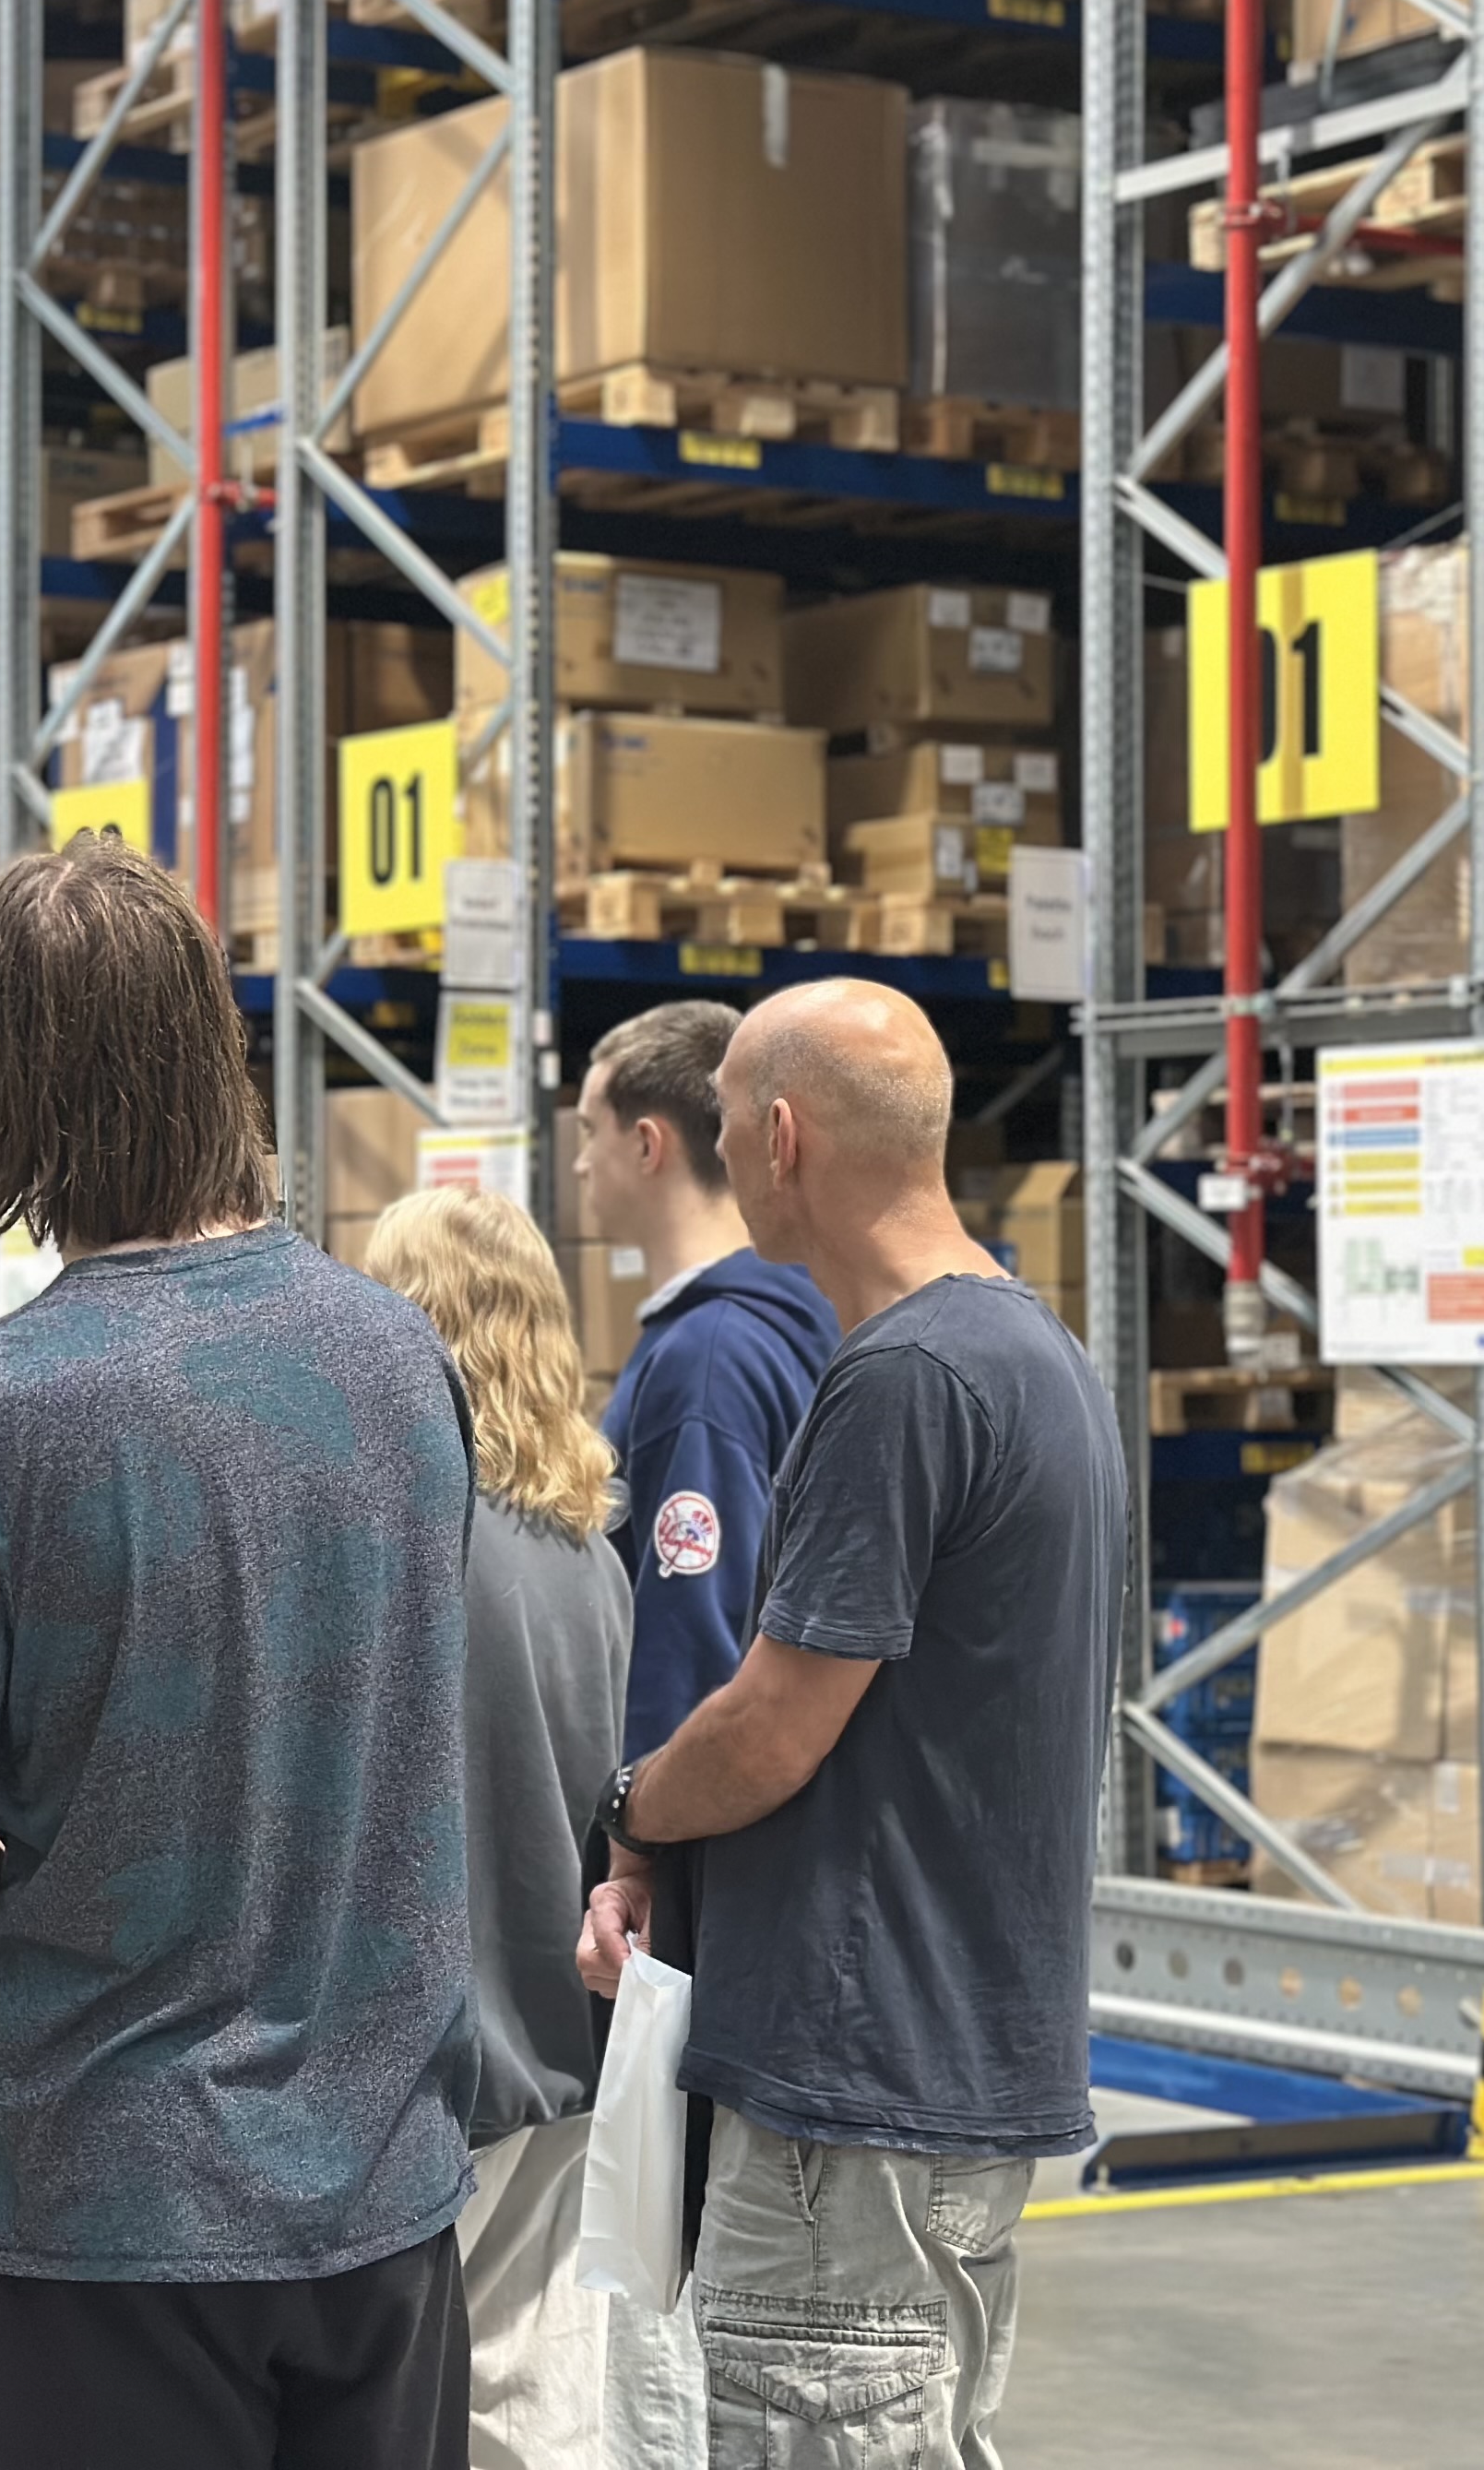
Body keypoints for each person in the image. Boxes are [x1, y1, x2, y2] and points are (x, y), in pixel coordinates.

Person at [0, 837, 481, 2470]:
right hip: (382, 2186)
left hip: (109, 2205)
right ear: (213, 1047)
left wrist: (16, 1923)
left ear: (6, 1084)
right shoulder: (400, 1359)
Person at [577, 980, 1122, 2470]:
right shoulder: (1036, 1356)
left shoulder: (897, 1380)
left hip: (854, 2080)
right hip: (961, 2063)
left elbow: (771, 1725)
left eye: (728, 1127)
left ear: (779, 1137)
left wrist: (630, 1809)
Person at [361, 1186, 639, 2470]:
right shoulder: (590, 1553)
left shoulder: (409, 1543)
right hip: (568, 2050)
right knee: (540, 2408)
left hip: (436, 2070)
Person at [576, 1002, 839, 1755]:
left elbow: (693, 1645)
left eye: (591, 1131)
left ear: (647, 1144)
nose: (581, 1163)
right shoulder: (793, 1313)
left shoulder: (707, 1359)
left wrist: (643, 1810)